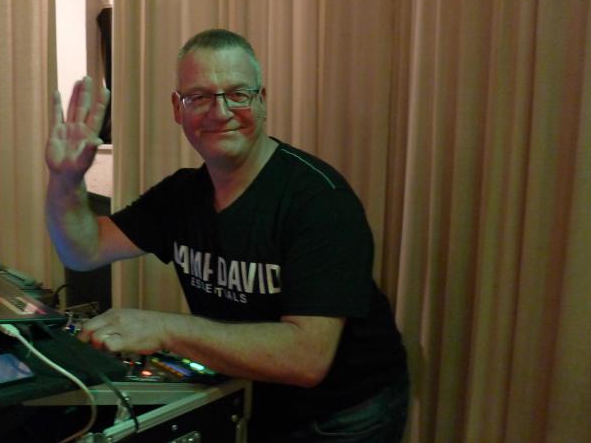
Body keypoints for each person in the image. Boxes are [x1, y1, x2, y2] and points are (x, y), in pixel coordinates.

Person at [45, 29, 409, 441]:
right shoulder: (181, 194)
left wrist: (164, 329)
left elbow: (308, 359)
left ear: (261, 100)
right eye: (199, 97)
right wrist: (65, 179)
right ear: (177, 108)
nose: (220, 112)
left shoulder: (319, 201)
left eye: (237, 94)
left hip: (344, 413)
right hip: (260, 395)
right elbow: (83, 250)